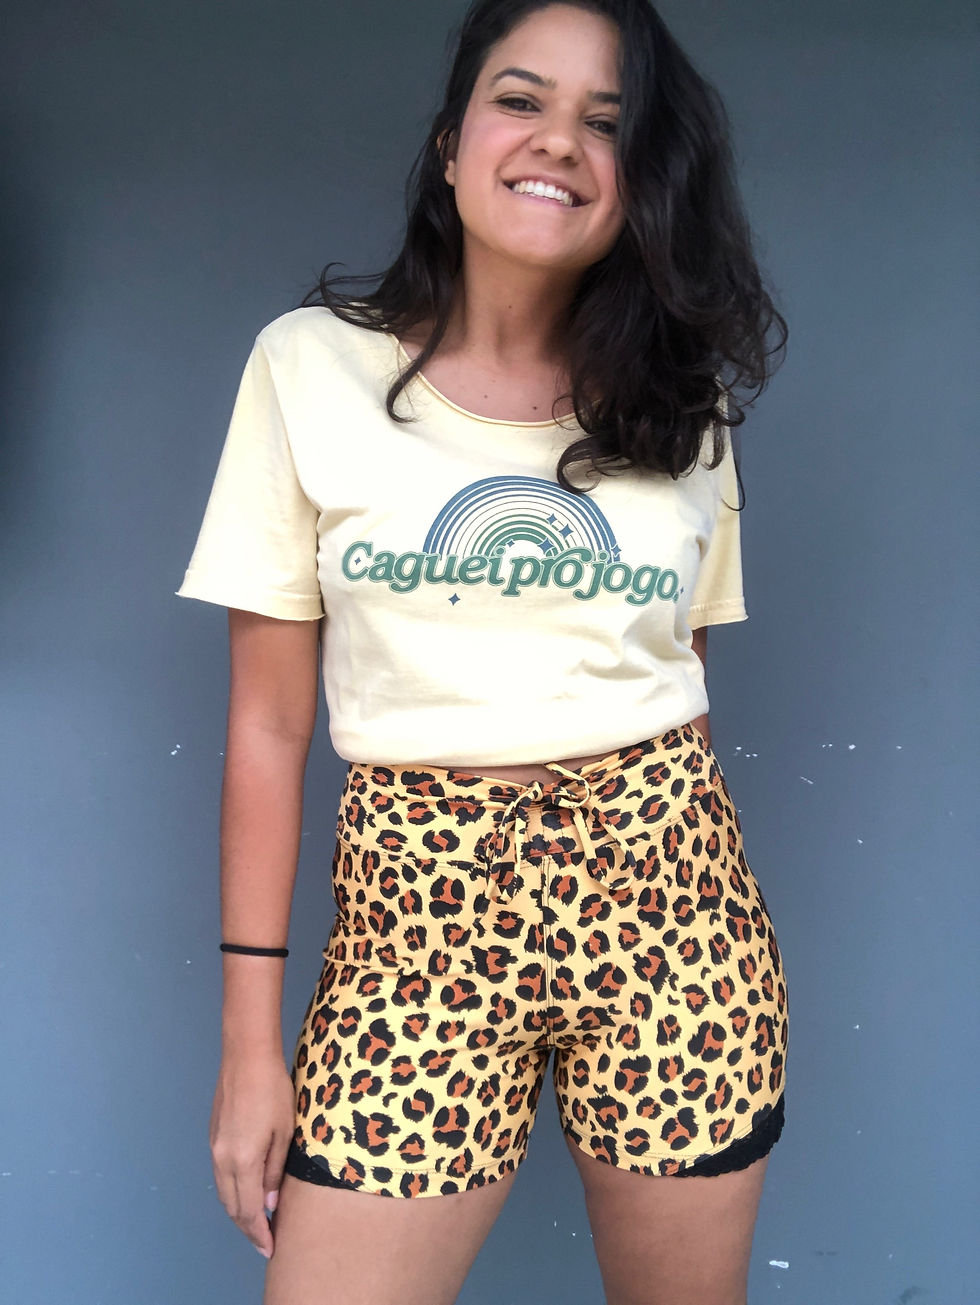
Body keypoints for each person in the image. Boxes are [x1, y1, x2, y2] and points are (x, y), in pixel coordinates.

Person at [176, 1, 790, 1300]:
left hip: (670, 907)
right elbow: (268, 726)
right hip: (417, 918)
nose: (559, 140)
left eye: (607, 122)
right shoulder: (308, 367)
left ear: (642, 180)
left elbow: (673, 674)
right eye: (522, 100)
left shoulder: (686, 405)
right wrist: (248, 1047)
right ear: (453, 142)